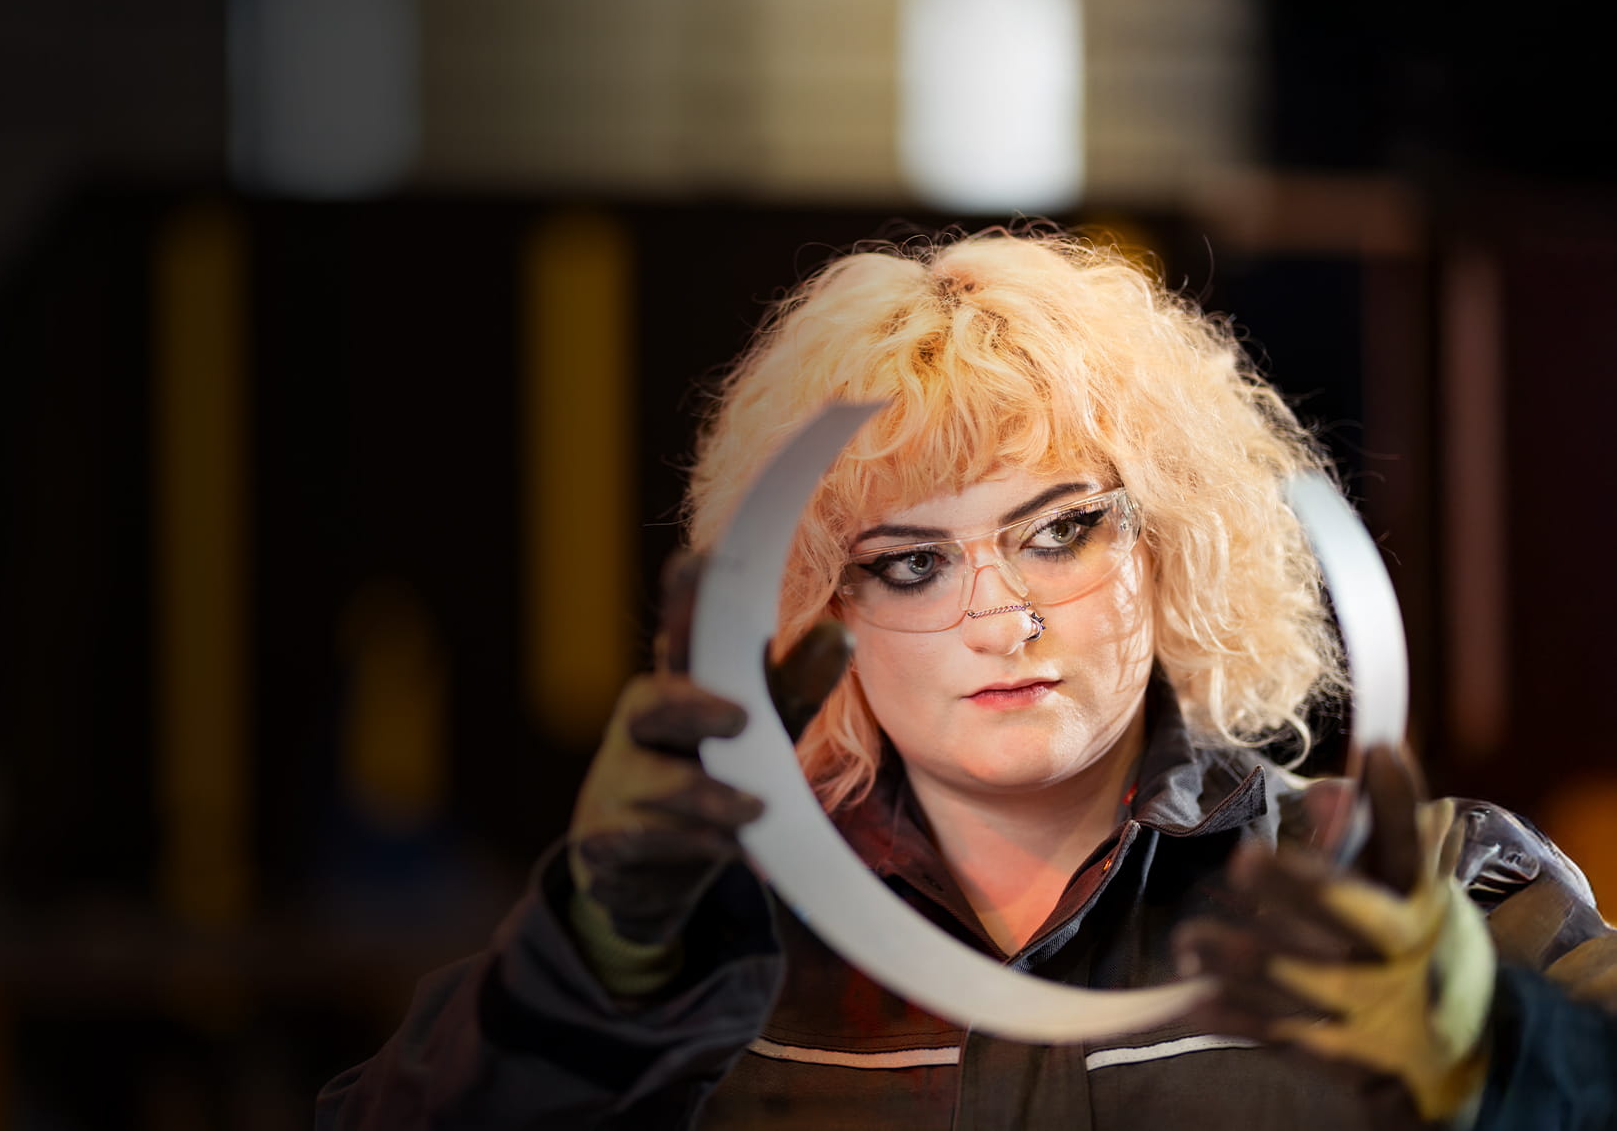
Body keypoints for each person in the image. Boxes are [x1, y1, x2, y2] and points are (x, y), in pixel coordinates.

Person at [318, 230, 1617, 1129]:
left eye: (1058, 529)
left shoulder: (1416, 894)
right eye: (911, 560)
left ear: (1171, 545)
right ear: (822, 604)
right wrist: (592, 954)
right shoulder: (709, 956)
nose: (997, 611)